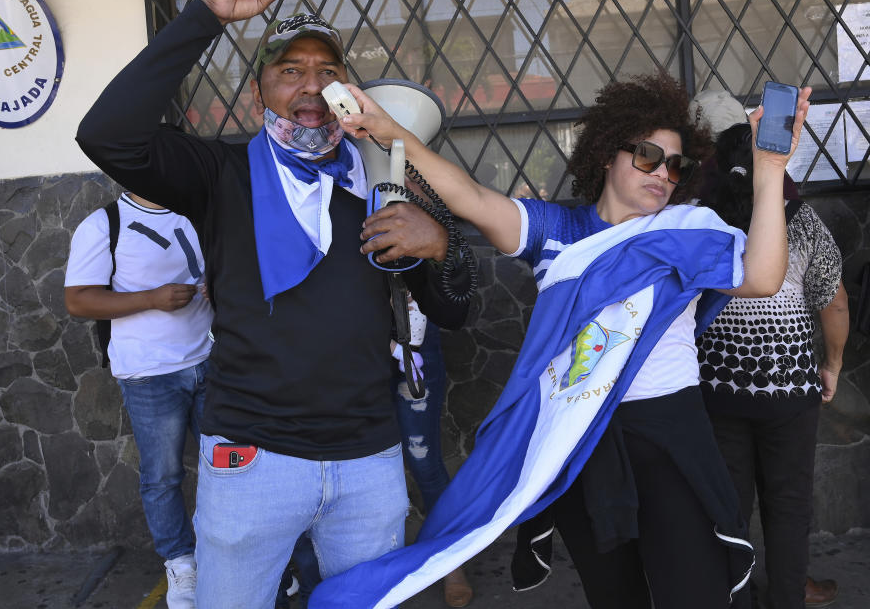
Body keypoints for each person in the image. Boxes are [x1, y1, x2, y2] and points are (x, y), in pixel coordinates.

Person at [74, 0, 470, 609]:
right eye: (290, 72)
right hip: (249, 460)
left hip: (369, 461)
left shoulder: (385, 183)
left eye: (326, 72)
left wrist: (440, 248)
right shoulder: (219, 175)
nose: (310, 87)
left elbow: (455, 309)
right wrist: (205, 16)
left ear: (349, 90)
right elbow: (107, 134)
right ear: (259, 92)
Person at [332, 72, 811, 608]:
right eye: (649, 156)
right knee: (616, 597)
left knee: (695, 594)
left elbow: (763, 277)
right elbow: (468, 196)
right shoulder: (554, 231)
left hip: (673, 436)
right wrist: (390, 129)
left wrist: (771, 172)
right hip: (583, 439)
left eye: (678, 166)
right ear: (608, 153)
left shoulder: (688, 228)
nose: (664, 174)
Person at [695, 94, 849, 609]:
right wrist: (832, 364)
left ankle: (733, 599)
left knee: (728, 508)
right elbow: (835, 303)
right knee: (789, 505)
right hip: (789, 392)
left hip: (716, 390)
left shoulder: (698, 224)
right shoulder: (800, 222)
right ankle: (788, 596)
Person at [64, 192, 212, 608]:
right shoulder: (103, 224)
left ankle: (233, 554)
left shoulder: (198, 209)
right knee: (163, 476)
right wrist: (151, 298)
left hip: (212, 359)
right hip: (150, 373)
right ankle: (181, 564)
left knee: (231, 470)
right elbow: (78, 300)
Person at [391, 296, 473, 607]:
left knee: (423, 459)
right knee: (370, 463)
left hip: (414, 336)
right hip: (357, 342)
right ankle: (385, 570)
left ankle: (451, 565)